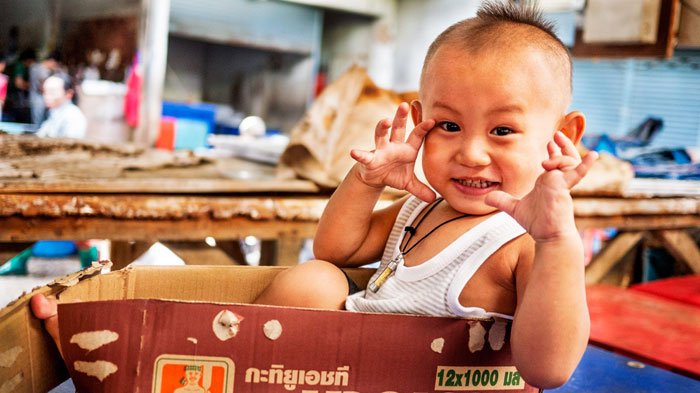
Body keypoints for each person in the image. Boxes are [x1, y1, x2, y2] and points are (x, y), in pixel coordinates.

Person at [32, 2, 596, 388]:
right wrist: (368, 181)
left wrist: (558, 240)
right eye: (448, 127)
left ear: (561, 137)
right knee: (316, 278)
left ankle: (109, 350)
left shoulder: (527, 244)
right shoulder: (422, 205)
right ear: (421, 122)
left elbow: (547, 369)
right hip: (324, 373)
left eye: (501, 131)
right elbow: (335, 248)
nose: (471, 153)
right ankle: (159, 349)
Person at [36, 74, 87, 139]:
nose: (46, 96)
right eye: (45, 92)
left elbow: (71, 145)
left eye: (52, 92)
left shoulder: (73, 116)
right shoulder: (54, 112)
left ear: (68, 94)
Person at [29, 50, 63, 125]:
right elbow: (42, 87)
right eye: (55, 65)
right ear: (52, 61)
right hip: (39, 100)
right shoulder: (42, 70)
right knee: (38, 124)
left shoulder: (34, 66)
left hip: (35, 99)